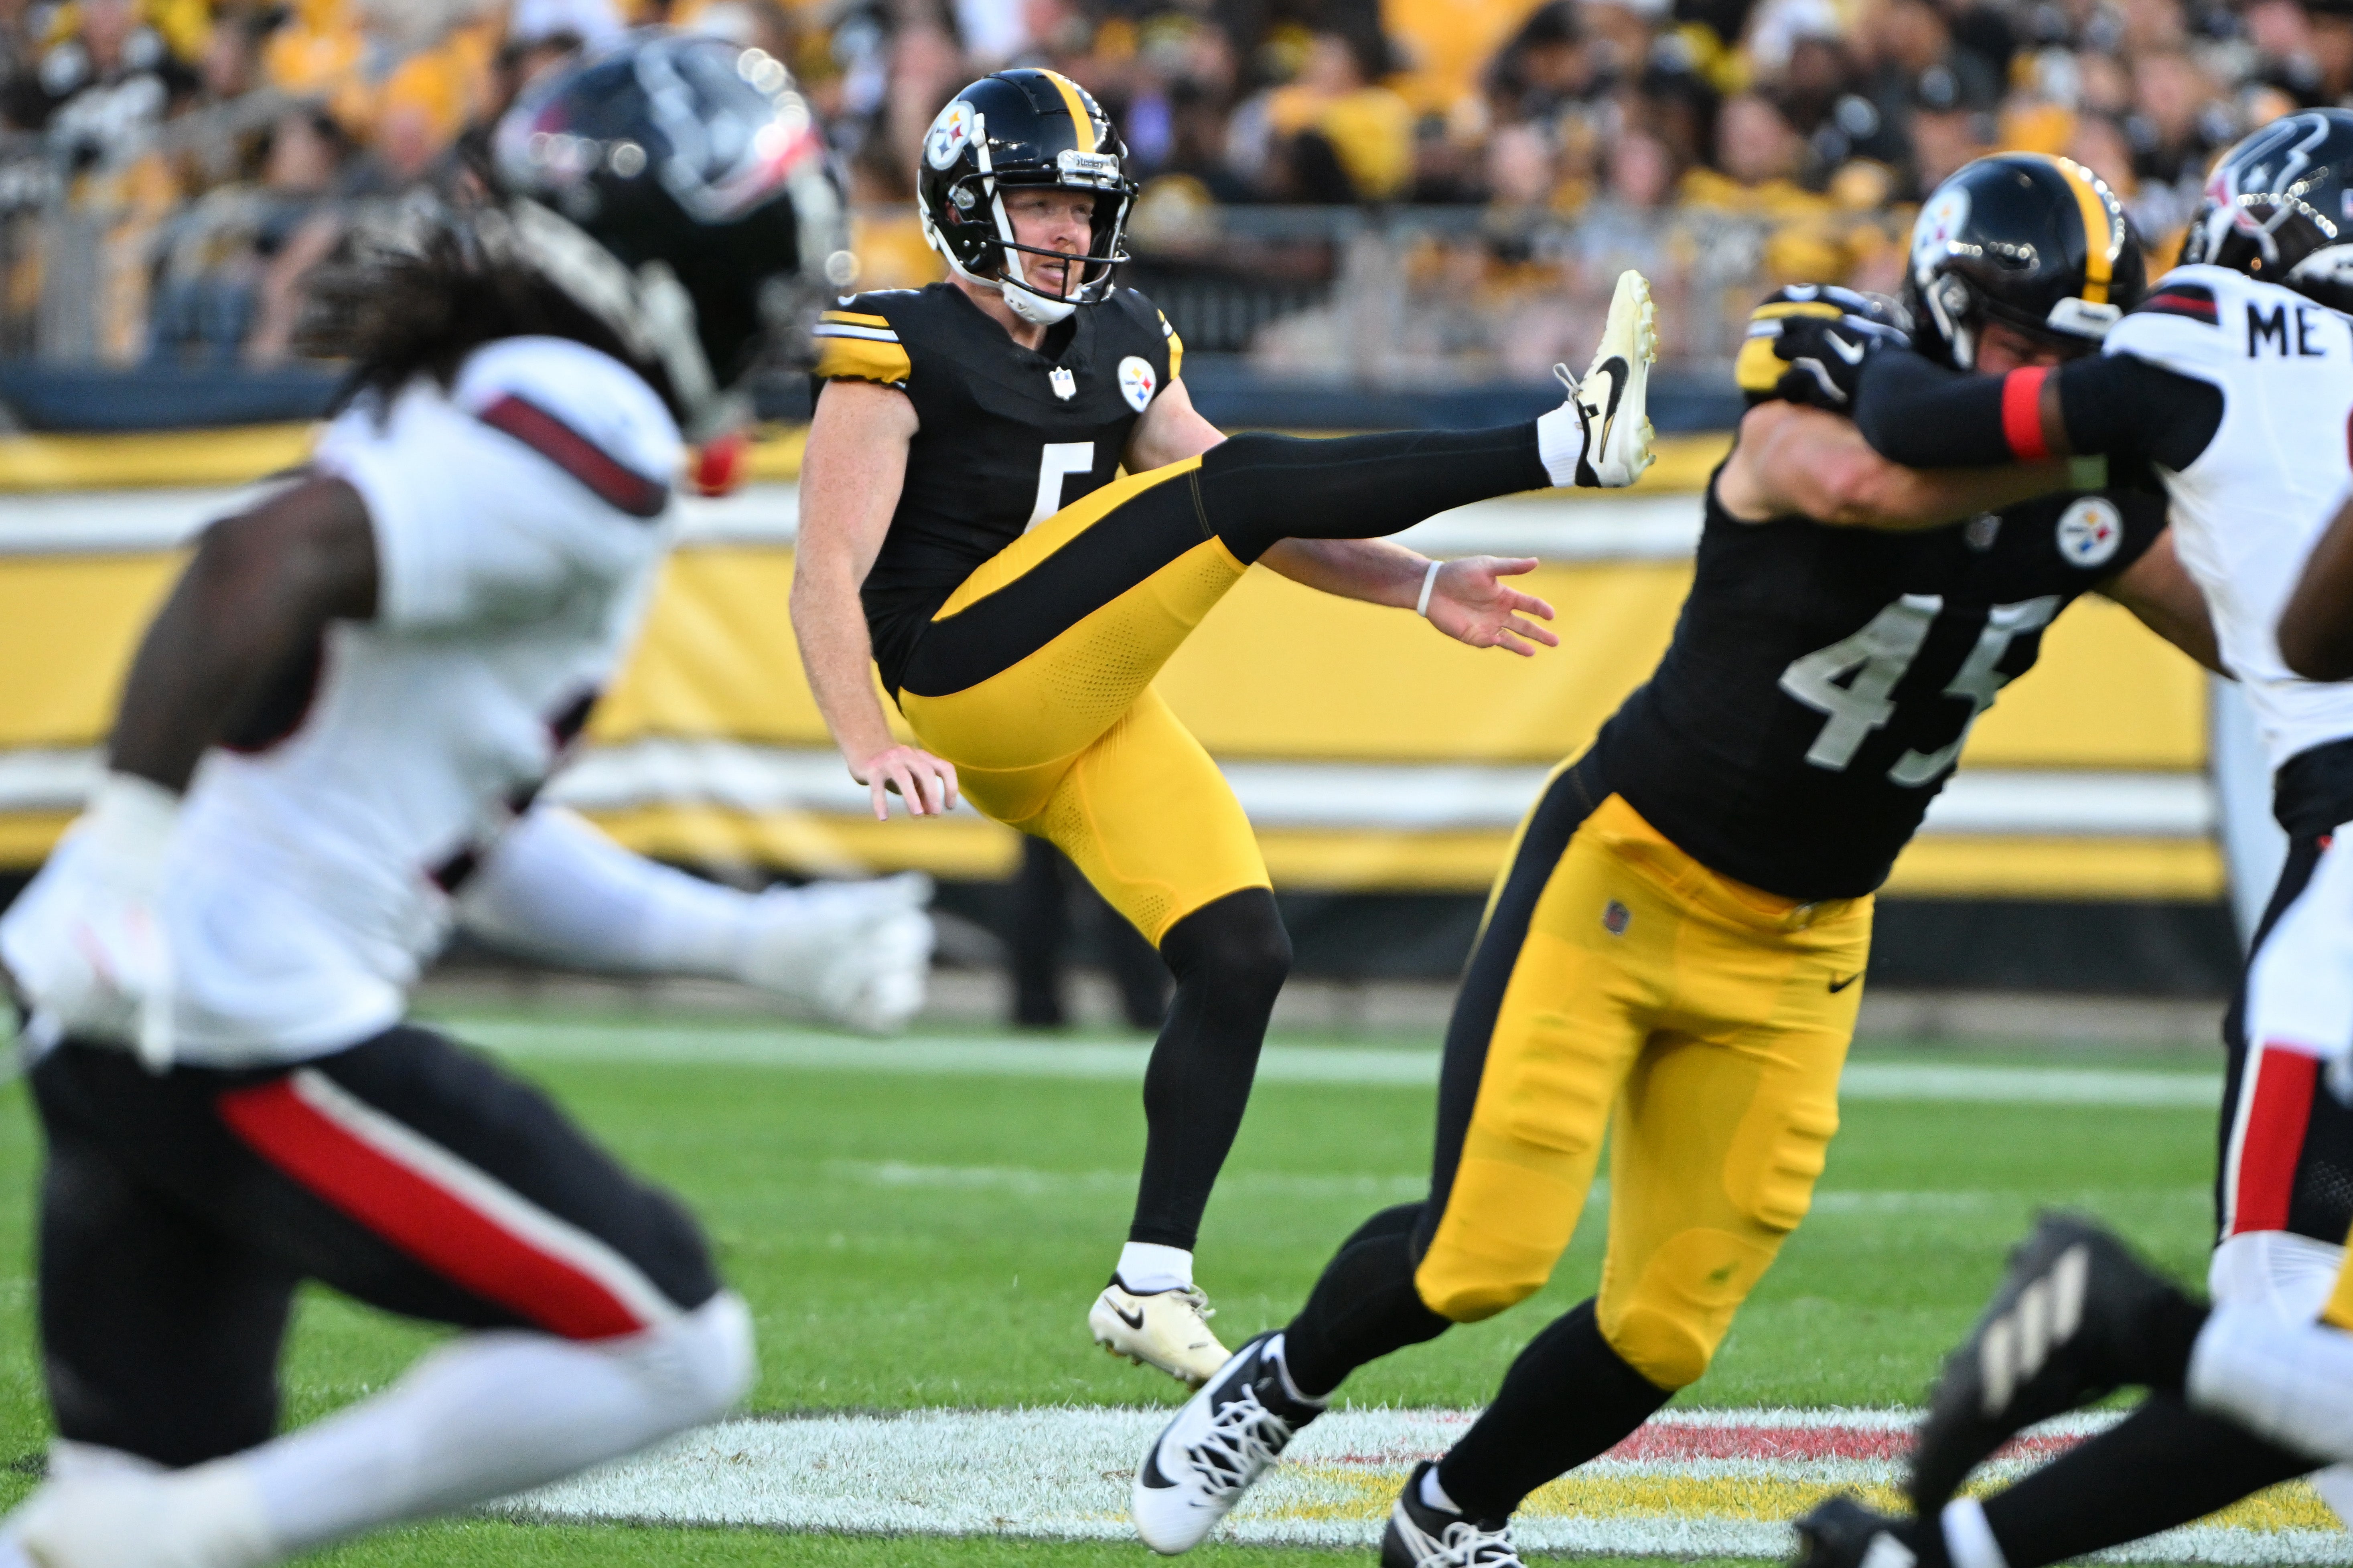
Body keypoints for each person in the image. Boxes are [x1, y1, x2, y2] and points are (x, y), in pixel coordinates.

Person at [1127, 152, 2221, 1568]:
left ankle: (1449, 1516)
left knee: (1669, 1324)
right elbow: (1863, 486)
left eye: (2076, 361)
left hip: (1809, 942)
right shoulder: (1831, 397)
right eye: (2024, 351)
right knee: (1481, 1255)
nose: (2050, 383)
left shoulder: (2084, 476)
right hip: (1629, 873)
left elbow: (2244, 630)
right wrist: (2072, 423)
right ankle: (1274, 1385)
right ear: (1947, 316)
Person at [0, 33, 842, 1568]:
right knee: (668, 1339)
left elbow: (467, 835)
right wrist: (125, 861)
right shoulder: (591, 421)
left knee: (98, 1527)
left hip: (131, 1017)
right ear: (686, 258)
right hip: (233, 1016)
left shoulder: (481, 388)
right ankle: (207, 1533)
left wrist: (753, 946)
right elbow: (250, 564)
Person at [788, 66, 1661, 1388]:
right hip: (962, 681)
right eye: (1038, 202)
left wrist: (1416, 585)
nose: (1069, 234)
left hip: (1080, 710)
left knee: (1243, 950)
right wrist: (865, 737)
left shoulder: (1124, 335)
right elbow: (822, 578)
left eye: (1085, 208)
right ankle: (1556, 445)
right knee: (1230, 476)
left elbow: (1262, 519)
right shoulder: (897, 340)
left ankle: (1150, 1283)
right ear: (967, 205)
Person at [1791, 110, 2353, 1568]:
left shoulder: (2208, 327)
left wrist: (1841, 342)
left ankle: (2117, 1322)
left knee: (2288, 1332)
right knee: (2319, 1368)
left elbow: (1922, 431)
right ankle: (1960, 1553)